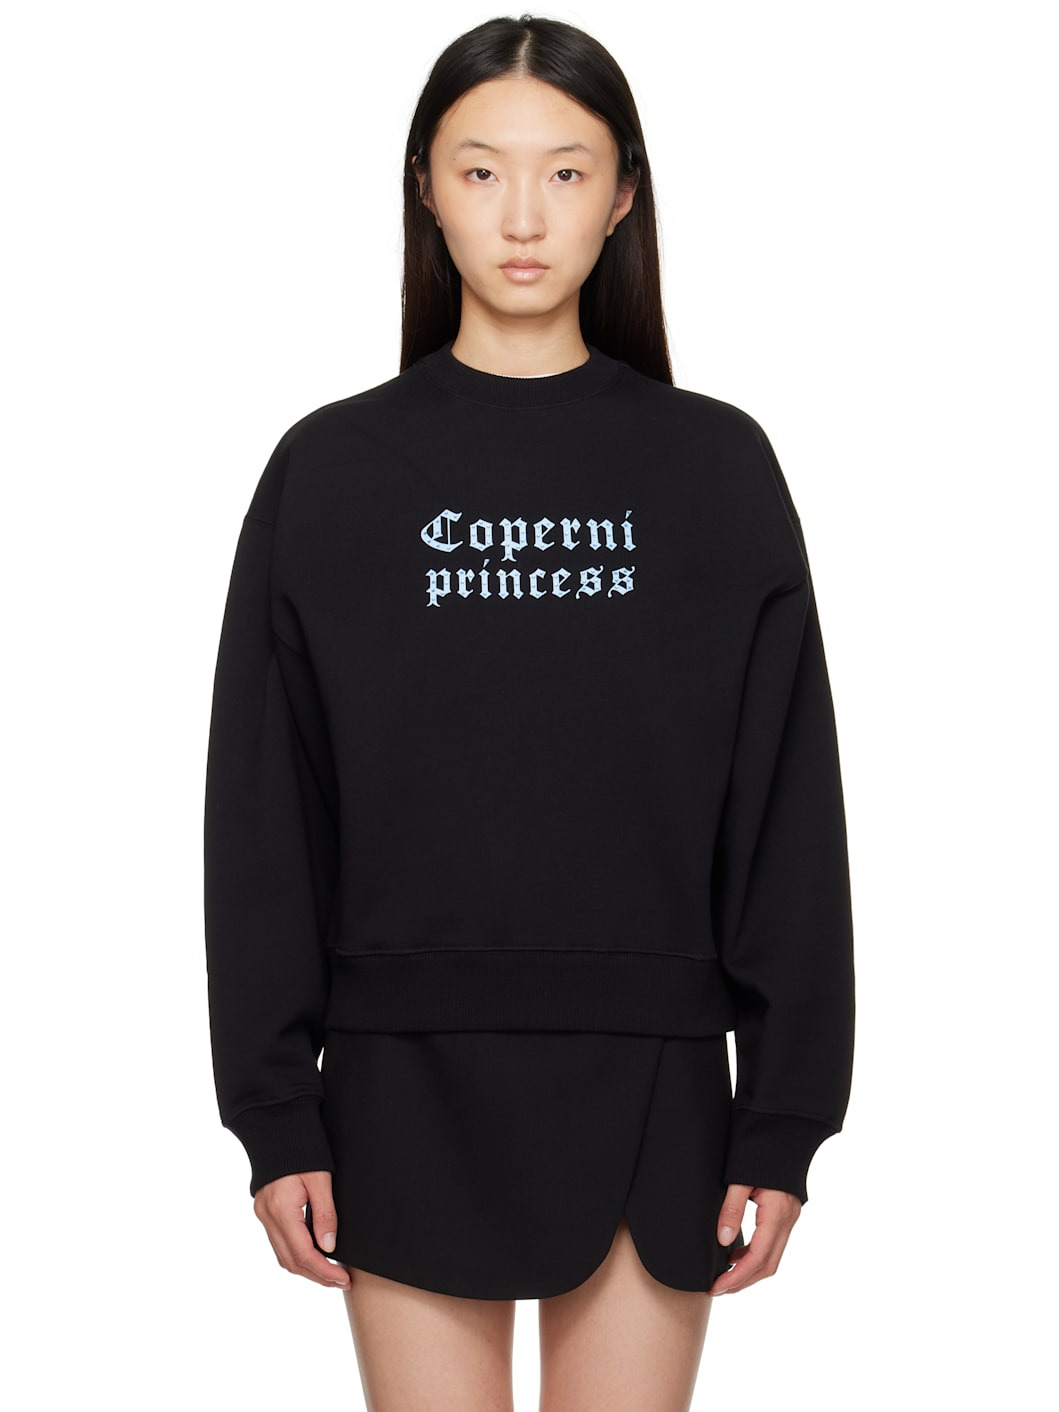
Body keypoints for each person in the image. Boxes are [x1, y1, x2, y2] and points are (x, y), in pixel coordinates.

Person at [203, 13, 855, 1409]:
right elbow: (263, 812)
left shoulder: (717, 470)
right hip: (398, 1082)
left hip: (654, 1077)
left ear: (622, 197)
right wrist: (272, 1109)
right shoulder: (330, 472)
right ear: (424, 190)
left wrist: (786, 1113)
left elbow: (786, 805)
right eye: (480, 169)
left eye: (566, 172)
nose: (521, 216)